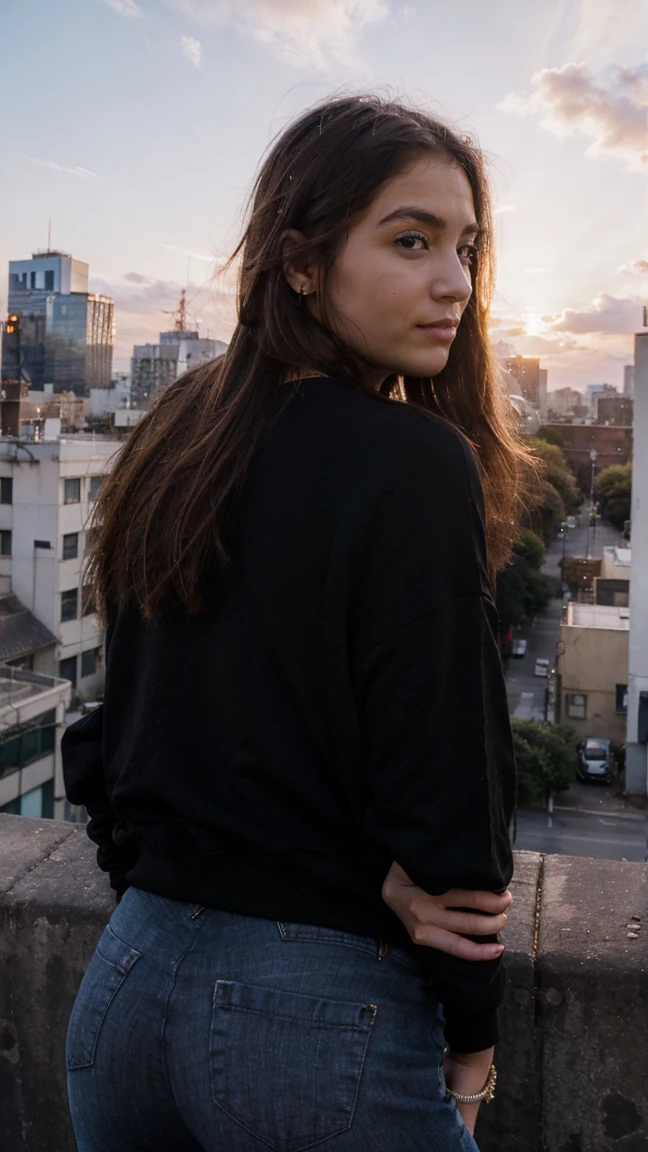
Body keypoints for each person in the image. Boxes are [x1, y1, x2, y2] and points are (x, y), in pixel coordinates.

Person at [63, 94, 529, 1152]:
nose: (453, 281)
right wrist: (472, 1034)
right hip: (314, 1014)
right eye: (411, 241)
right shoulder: (413, 459)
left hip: (126, 989)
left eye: (466, 247)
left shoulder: (181, 426)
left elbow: (108, 734)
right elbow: (448, 781)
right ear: (303, 261)